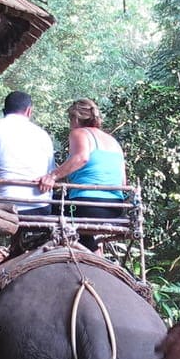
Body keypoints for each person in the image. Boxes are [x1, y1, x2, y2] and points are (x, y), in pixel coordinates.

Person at [39, 98, 128, 249]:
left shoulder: (79, 133)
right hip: (114, 209)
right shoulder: (113, 141)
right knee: (73, 218)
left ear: (75, 118)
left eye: (70, 119)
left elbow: (82, 158)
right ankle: (94, 252)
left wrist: (52, 176)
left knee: (46, 204)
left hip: (85, 206)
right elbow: (123, 182)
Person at [0, 91, 56, 220]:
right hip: (39, 207)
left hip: (0, 207)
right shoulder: (44, 135)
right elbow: (50, 174)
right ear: (29, 111)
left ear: (4, 111)